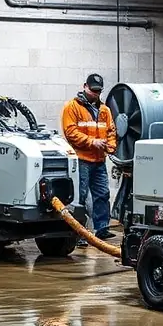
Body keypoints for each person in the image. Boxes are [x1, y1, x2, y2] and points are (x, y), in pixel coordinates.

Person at [61, 73, 117, 242]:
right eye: (93, 90)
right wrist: (92, 142)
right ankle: (80, 234)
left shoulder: (105, 110)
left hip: (99, 161)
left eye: (98, 91)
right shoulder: (72, 107)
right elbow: (71, 133)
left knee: (102, 195)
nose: (95, 94)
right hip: (81, 160)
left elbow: (111, 131)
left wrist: (111, 147)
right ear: (84, 86)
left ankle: (102, 229)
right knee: (80, 197)